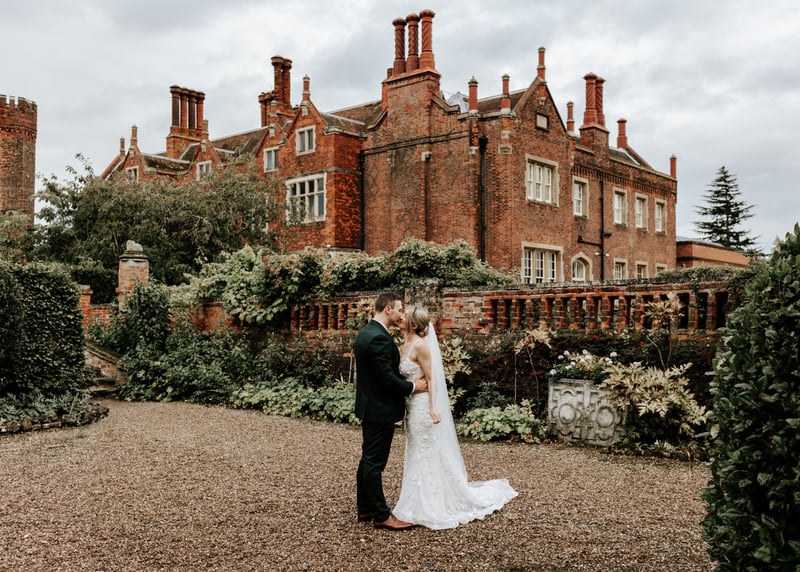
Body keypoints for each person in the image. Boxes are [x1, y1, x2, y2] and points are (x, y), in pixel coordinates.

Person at [393, 305, 518, 529]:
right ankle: (415, 502)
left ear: (413, 324)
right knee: (416, 451)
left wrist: (433, 408)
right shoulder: (406, 342)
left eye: (405, 315)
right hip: (412, 405)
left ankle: (429, 506)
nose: (401, 317)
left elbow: (432, 379)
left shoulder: (420, 346)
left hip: (422, 406)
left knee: (425, 452)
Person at [354, 292, 428, 531]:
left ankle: (365, 508)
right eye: (399, 309)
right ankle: (381, 515)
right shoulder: (379, 338)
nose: (401, 314)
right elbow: (386, 377)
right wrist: (412, 387)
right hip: (380, 408)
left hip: (370, 406)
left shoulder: (366, 332)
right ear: (388, 309)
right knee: (375, 463)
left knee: (368, 459)